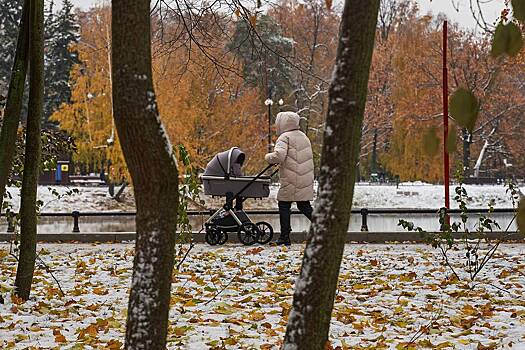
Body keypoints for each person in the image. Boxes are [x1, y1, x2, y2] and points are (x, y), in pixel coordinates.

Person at [265, 111, 314, 246]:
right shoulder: (304, 137)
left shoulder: (284, 137)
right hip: (304, 177)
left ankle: (285, 236)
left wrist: (268, 157)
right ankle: (324, 227)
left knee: (284, 204)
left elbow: (279, 156)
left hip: (292, 178)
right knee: (304, 205)